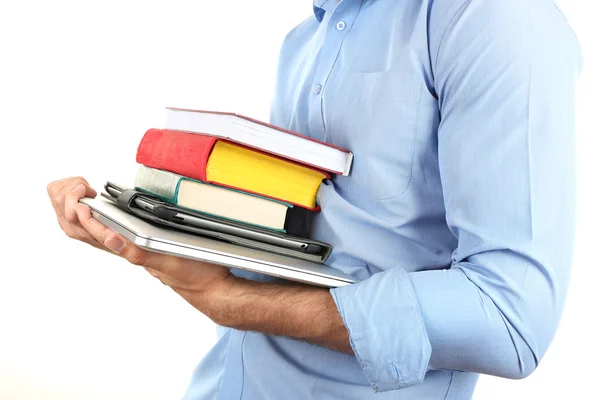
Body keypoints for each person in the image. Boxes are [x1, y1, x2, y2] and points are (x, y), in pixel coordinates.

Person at [47, 0, 581, 398]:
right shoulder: (307, 39)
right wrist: (159, 235)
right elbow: (323, 236)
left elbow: (512, 318)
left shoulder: (496, 17)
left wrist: (229, 301)